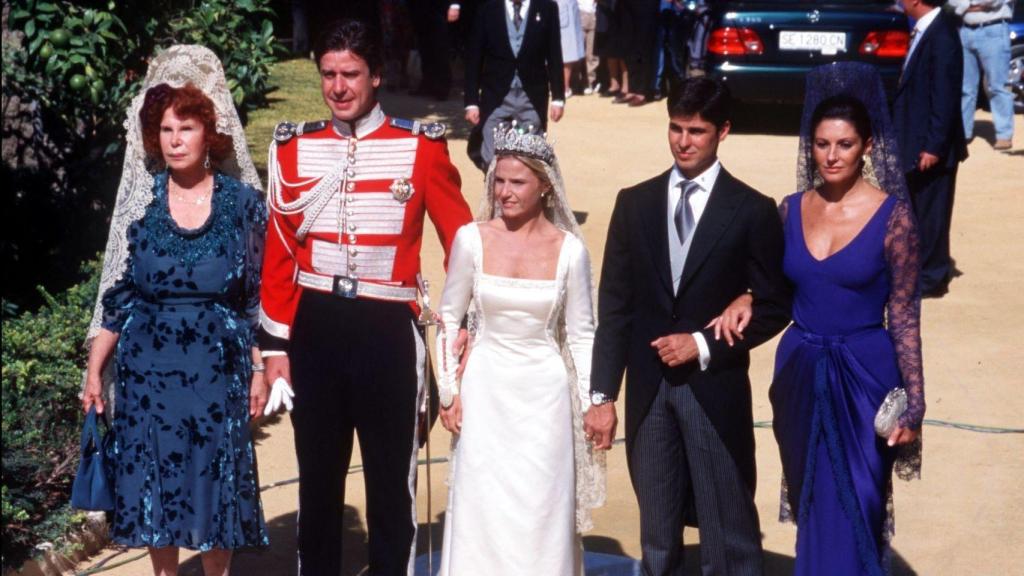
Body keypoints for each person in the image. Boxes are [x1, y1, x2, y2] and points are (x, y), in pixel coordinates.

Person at [257, 19, 473, 576]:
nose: (338, 87)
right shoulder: (294, 148)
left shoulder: (419, 147)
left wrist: (458, 324)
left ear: (376, 76)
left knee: (389, 485)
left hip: (386, 329)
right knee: (319, 481)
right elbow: (279, 255)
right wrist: (275, 346)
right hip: (315, 330)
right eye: (328, 74)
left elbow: (463, 242)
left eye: (350, 74)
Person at [713, 62, 926, 576]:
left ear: (868, 146)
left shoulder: (894, 218)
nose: (832, 156)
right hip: (800, 375)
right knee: (813, 503)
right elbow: (771, 288)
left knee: (859, 502)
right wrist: (745, 297)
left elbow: (903, 315)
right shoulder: (788, 210)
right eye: (822, 144)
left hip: (865, 378)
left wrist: (914, 404)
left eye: (845, 144)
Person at [585, 77, 792, 576]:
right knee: (657, 532)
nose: (683, 141)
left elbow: (775, 303)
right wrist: (602, 396)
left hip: (713, 388)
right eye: (676, 128)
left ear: (723, 131)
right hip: (648, 392)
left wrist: (701, 343)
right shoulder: (634, 203)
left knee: (729, 531)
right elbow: (614, 305)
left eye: (696, 131)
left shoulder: (752, 209)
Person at [81, 45, 269, 576]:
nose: (176, 140)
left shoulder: (243, 204)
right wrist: (95, 370)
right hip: (147, 371)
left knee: (215, 482)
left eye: (186, 128)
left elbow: (255, 297)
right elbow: (119, 297)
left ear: (209, 133)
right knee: (151, 485)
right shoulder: (143, 206)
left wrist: (258, 368)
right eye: (166, 130)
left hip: (217, 368)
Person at [435, 123, 605, 574]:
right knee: (481, 506)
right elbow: (448, 317)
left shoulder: (570, 251)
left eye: (517, 182)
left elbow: (584, 334)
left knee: (540, 508)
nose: (504, 192)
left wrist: (594, 402)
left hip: (544, 397)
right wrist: (448, 390)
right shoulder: (472, 239)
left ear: (545, 185)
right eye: (499, 180)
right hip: (485, 389)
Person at [893, 0, 968, 297]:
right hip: (917, 140)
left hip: (933, 147)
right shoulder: (929, 31)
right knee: (917, 210)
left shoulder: (942, 36)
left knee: (931, 213)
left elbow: (945, 97)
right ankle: (918, 271)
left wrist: (933, 146)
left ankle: (932, 277)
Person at [464, 0, 566, 169]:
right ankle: (495, 192)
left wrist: (558, 98)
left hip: (532, 97)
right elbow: (475, 57)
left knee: (532, 159)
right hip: (496, 96)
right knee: (491, 159)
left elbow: (554, 54)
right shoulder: (488, 8)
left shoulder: (547, 7)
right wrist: (471, 102)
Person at [949, 0, 1016, 150]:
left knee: (998, 86)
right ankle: (964, 133)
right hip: (965, 31)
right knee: (965, 88)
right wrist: (971, 6)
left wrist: (965, 6)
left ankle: (1003, 135)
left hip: (994, 29)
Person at [556, 0, 586, 96]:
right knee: (565, 50)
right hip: (559, 8)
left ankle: (565, 86)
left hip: (568, 10)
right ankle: (561, 87)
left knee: (569, 50)